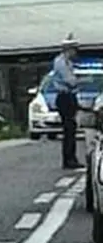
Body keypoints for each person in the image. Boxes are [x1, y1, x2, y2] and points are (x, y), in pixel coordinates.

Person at [50, 34, 84, 169]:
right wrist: (80, 81)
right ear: (67, 49)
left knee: (71, 128)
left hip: (68, 96)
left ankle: (71, 157)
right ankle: (69, 159)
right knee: (69, 128)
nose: (75, 52)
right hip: (65, 97)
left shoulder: (67, 62)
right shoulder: (61, 62)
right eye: (73, 49)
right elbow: (70, 81)